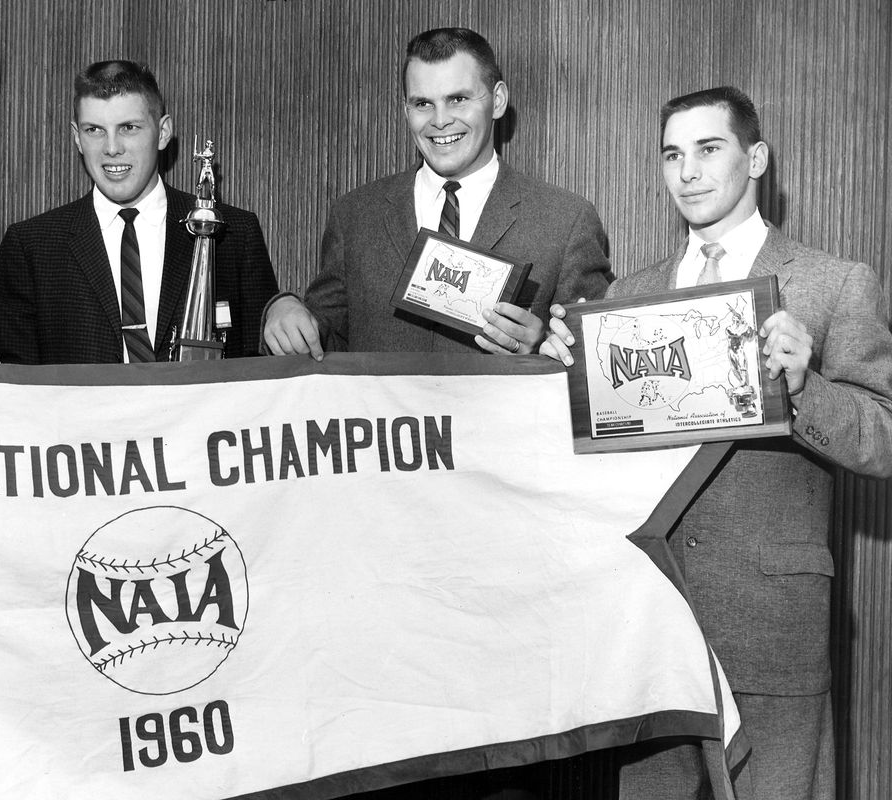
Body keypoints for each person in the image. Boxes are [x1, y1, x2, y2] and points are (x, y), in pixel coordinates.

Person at [543, 86, 892, 800]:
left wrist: (805, 388)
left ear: (755, 158)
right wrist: (556, 381)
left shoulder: (832, 285)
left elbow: (885, 437)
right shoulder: (622, 302)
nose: (688, 172)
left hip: (774, 621)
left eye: (709, 149)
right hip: (650, 623)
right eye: (672, 154)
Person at [263, 26, 612, 360]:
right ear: (405, 110)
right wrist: (284, 310)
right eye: (422, 104)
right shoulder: (354, 215)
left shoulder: (566, 220)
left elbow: (595, 366)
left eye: (458, 99)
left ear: (498, 100)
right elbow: (321, 338)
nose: (440, 120)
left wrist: (541, 349)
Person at [0, 60, 279, 364]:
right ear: (77, 137)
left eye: (129, 127)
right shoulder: (31, 246)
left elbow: (265, 372)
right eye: (94, 130)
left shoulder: (233, 234)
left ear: (163, 132)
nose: (112, 148)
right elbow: (12, 389)